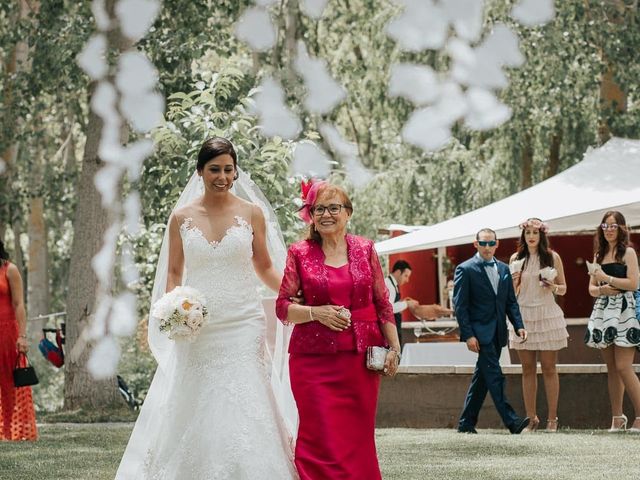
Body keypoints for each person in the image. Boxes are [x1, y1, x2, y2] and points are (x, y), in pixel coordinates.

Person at [116, 138, 297, 478]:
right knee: (195, 396)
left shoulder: (251, 213)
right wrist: (174, 313)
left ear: (236, 171)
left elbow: (265, 267)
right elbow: (173, 272)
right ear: (200, 171)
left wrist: (294, 292)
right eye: (214, 169)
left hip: (244, 321)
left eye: (229, 169)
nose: (222, 176)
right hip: (197, 324)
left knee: (244, 395)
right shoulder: (181, 217)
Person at [276, 180, 399, 480]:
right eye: (320, 209)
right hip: (312, 360)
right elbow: (282, 307)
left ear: (348, 213)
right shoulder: (299, 253)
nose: (327, 214)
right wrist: (315, 313)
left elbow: (382, 302)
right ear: (311, 215)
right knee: (319, 435)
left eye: (334, 208)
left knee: (357, 436)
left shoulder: (365, 248)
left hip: (360, 360)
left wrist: (394, 348)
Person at [454, 228, 530, 434]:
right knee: (495, 377)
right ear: (476, 244)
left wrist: (519, 325)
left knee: (482, 380)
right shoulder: (465, 269)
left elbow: (510, 302)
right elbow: (460, 306)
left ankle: (466, 423)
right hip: (480, 334)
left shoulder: (504, 269)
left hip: (498, 333)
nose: (487, 247)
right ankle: (512, 421)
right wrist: (468, 335)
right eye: (483, 243)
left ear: (497, 244)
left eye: (491, 243)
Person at [509, 218, 568, 433]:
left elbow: (564, 289)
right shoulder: (516, 259)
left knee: (549, 367)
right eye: (528, 233)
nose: (531, 236)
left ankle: (552, 419)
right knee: (527, 369)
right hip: (523, 315)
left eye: (535, 232)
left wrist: (552, 286)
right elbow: (512, 294)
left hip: (546, 314)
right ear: (523, 236)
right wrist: (514, 283)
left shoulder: (553, 257)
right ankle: (531, 419)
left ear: (542, 235)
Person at [585, 210, 640, 432]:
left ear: (621, 228)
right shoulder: (598, 255)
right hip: (603, 312)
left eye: (613, 226)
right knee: (612, 368)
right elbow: (590, 289)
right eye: (605, 225)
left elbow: (634, 284)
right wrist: (601, 289)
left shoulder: (628, 253)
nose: (608, 229)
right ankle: (617, 418)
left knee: (624, 366)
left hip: (625, 312)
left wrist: (606, 279)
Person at [0, 240, 37, 441]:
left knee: (8, 382)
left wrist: (22, 336)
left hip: (7, 332)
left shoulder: (9, 269)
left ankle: (9, 431)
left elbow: (19, 304)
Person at [385, 260, 418, 345]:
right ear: (398, 272)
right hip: (390, 331)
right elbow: (388, 308)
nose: (407, 280)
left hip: (394, 328)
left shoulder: (393, 285)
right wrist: (407, 304)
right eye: (406, 276)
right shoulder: (388, 284)